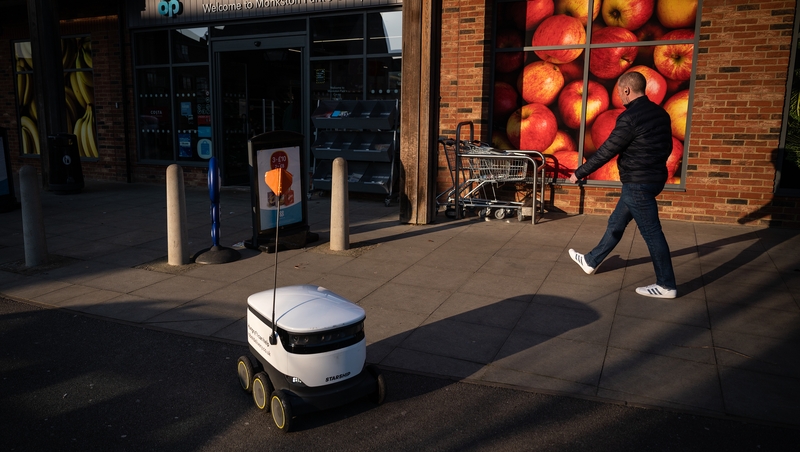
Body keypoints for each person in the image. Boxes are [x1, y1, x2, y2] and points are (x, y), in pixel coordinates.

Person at [567, 71, 677, 299]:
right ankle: (591, 260)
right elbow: (667, 148)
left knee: (652, 232)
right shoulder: (661, 114)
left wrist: (580, 173)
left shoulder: (630, 117)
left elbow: (607, 150)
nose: (619, 95)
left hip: (638, 183)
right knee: (616, 222)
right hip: (653, 179)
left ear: (626, 90)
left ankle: (666, 285)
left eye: (619, 91)